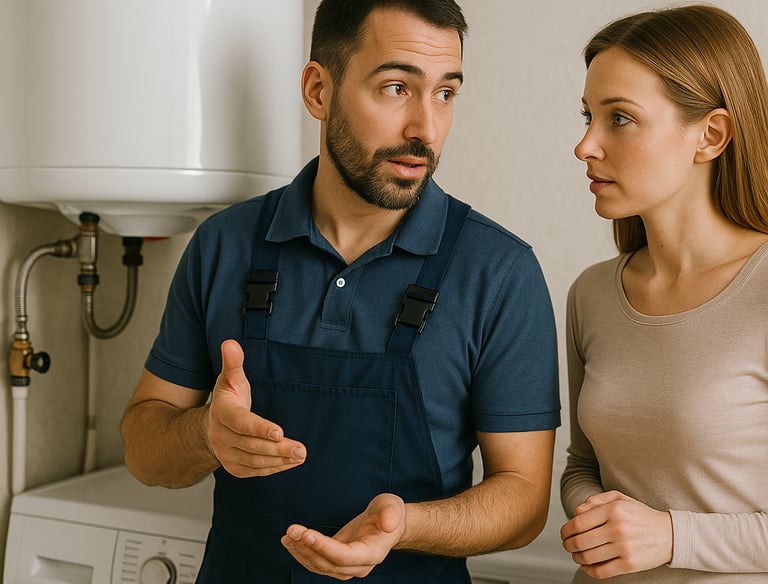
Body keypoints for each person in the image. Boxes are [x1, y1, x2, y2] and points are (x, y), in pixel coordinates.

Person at [121, 1, 560, 582]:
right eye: (397, 87)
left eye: (445, 94)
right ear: (318, 91)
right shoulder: (223, 245)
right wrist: (205, 436)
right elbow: (143, 449)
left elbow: (525, 501)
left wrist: (404, 527)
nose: (425, 130)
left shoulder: (499, 272)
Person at [560, 4, 768, 583]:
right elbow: (581, 467)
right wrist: (598, 516)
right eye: (587, 117)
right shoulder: (592, 294)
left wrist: (672, 536)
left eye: (620, 119)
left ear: (711, 134)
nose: (585, 146)